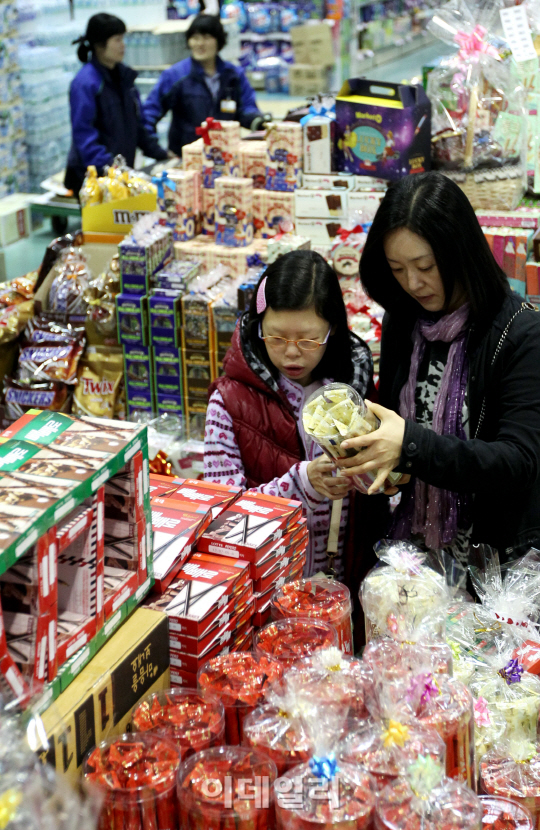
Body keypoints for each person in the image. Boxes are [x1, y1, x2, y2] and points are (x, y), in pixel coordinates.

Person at [338, 171, 540, 564]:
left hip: (495, 561)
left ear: (460, 252)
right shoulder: (405, 321)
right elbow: (396, 419)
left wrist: (411, 446)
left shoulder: (521, 335)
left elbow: (519, 461)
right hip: (413, 551)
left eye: (426, 266)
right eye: (397, 269)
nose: (413, 283)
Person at [203, 250, 374, 580]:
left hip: (342, 585)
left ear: (333, 330)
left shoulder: (356, 388)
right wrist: (303, 483)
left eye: (309, 339)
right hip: (266, 589)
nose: (292, 352)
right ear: (257, 327)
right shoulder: (228, 402)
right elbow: (221, 518)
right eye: (277, 337)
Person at [65, 13, 168, 197]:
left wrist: (162, 154)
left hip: (119, 174)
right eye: (117, 40)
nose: (123, 45)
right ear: (99, 45)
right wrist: (109, 167)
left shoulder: (125, 78)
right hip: (95, 178)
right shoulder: (86, 83)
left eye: (123, 39)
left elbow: (138, 125)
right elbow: (84, 134)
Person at [143, 14, 266, 156]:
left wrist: (258, 122)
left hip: (225, 156)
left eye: (206, 37)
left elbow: (246, 109)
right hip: (186, 158)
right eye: (195, 38)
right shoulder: (175, 76)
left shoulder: (234, 76)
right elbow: (149, 113)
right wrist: (157, 151)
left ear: (219, 41)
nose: (199, 44)